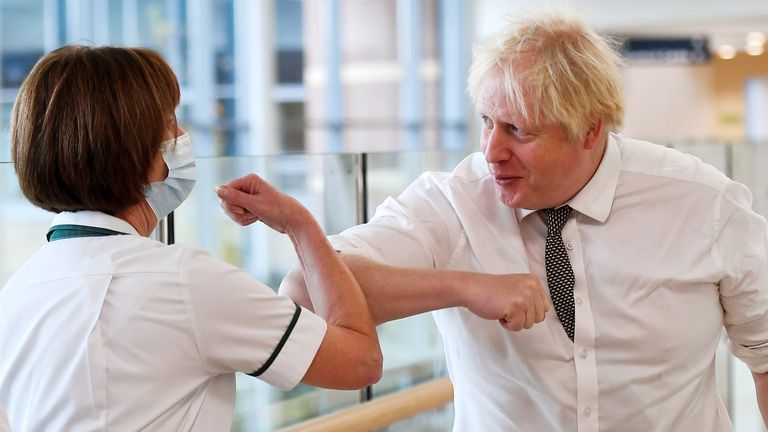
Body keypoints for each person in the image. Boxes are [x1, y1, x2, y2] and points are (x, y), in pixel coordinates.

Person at [243, 8, 768, 432]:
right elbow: (305, 291)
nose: (492, 152)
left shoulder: (703, 203)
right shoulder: (450, 203)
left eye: (518, 130)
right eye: (487, 122)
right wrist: (467, 287)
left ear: (589, 130)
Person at [0, 45, 383, 431]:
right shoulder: (183, 283)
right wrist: (300, 226)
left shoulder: (17, 294)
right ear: (135, 150)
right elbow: (360, 361)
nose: (181, 136)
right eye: (169, 123)